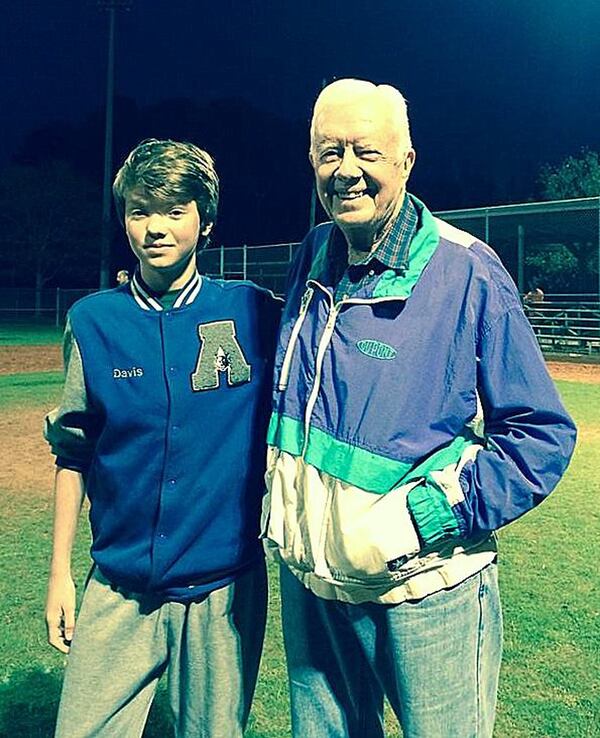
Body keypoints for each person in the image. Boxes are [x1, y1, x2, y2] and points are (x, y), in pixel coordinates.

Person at [262, 79, 577, 738]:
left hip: (424, 591)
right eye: (328, 152)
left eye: (365, 152)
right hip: (313, 587)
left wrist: (432, 515)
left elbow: (541, 435)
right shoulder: (312, 256)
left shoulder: (468, 271)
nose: (346, 170)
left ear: (406, 161)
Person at [44, 138, 281, 738]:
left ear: (205, 221)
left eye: (174, 210)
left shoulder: (254, 312)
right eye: (140, 210)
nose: (155, 227)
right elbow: (73, 453)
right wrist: (58, 574)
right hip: (118, 587)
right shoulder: (94, 321)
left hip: (222, 589)